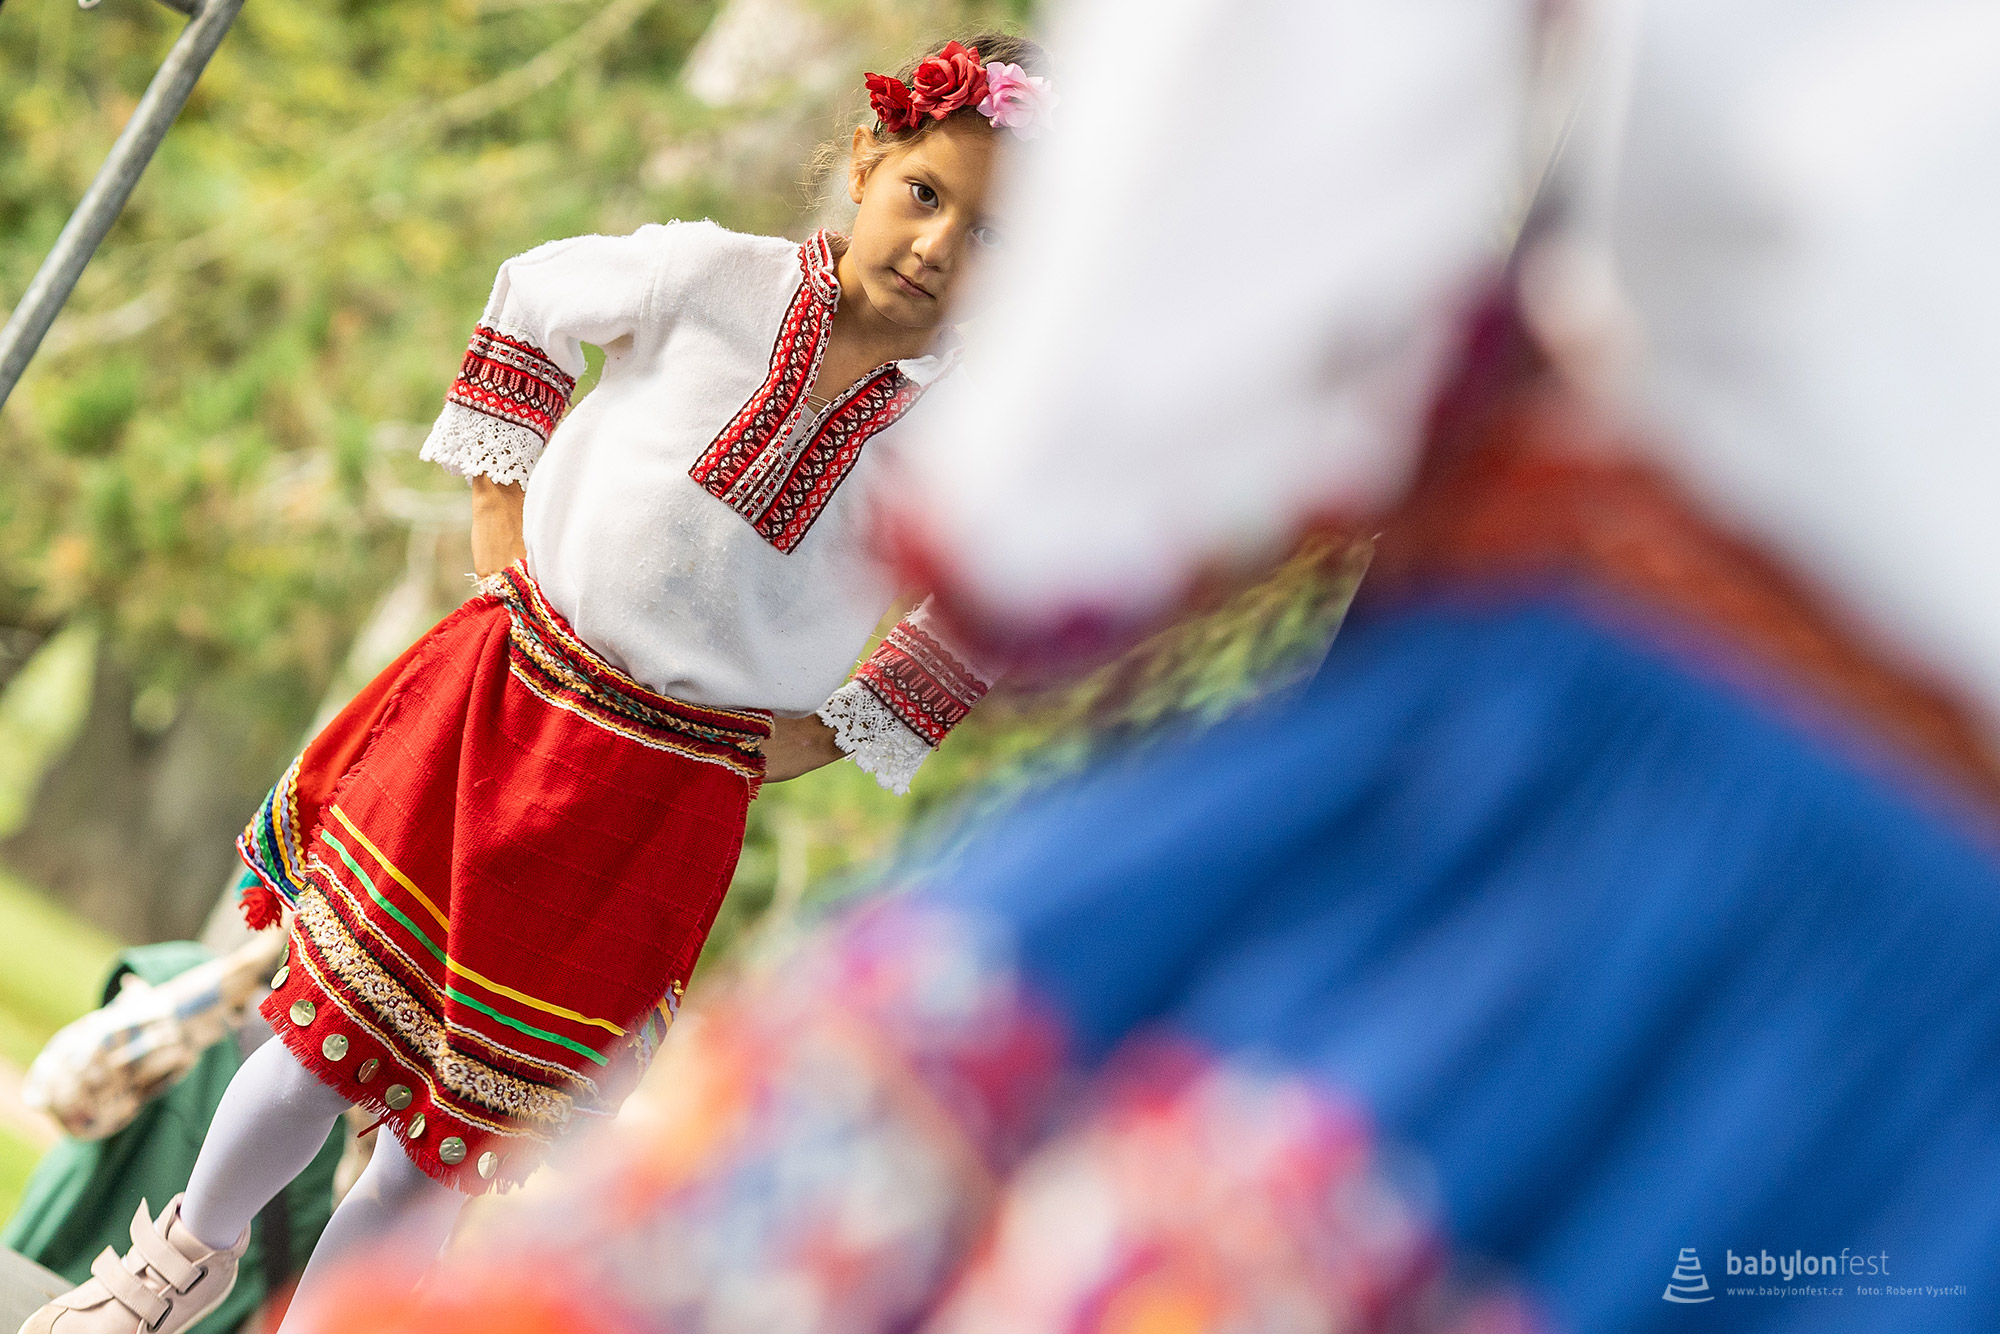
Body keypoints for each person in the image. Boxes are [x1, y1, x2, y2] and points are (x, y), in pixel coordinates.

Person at [276, 0, 2000, 1330]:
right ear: (869, 172)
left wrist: (1069, 486)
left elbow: (1295, 73)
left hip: (1597, 781)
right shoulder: (715, 292)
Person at [16, 32, 1050, 1334]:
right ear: (865, 163)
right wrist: (498, 526)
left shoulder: (972, 432)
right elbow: (529, 294)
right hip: (505, 704)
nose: (939, 247)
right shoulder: (707, 278)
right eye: (925, 194)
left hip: (665, 804)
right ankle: (172, 1274)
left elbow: (995, 594)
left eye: (992, 235)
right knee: (322, 1038)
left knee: (449, 1146)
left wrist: (838, 731)